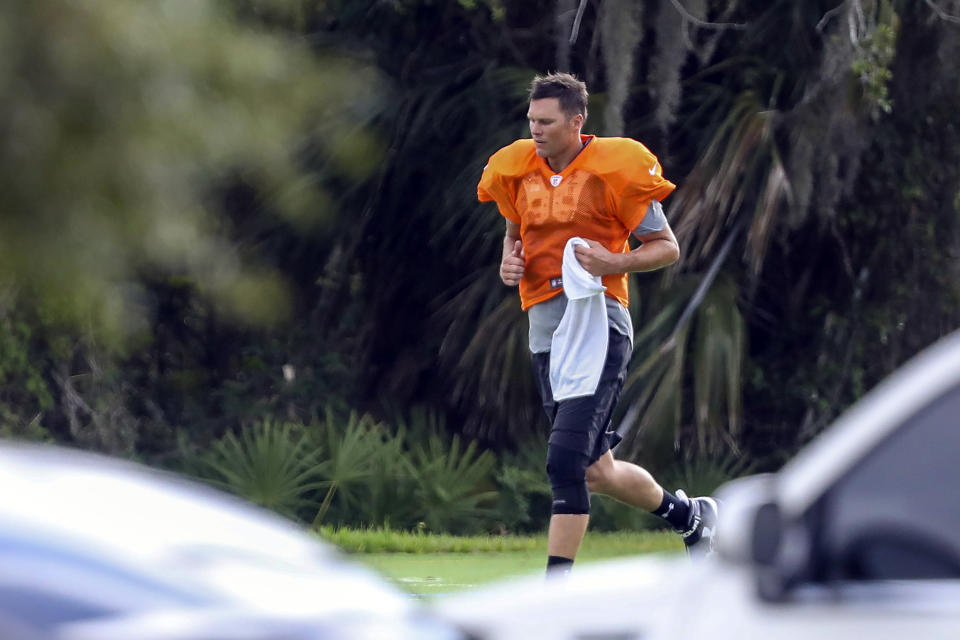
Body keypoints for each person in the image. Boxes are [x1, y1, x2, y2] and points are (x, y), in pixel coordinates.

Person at [477, 72, 718, 575]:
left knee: (564, 464)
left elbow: (666, 247)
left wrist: (613, 262)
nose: (536, 131)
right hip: (546, 333)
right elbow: (513, 231)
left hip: (600, 328)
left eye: (546, 122)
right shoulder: (516, 169)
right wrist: (509, 261)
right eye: (531, 121)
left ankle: (555, 591)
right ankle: (690, 518)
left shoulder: (614, 168)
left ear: (576, 122)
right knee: (594, 470)